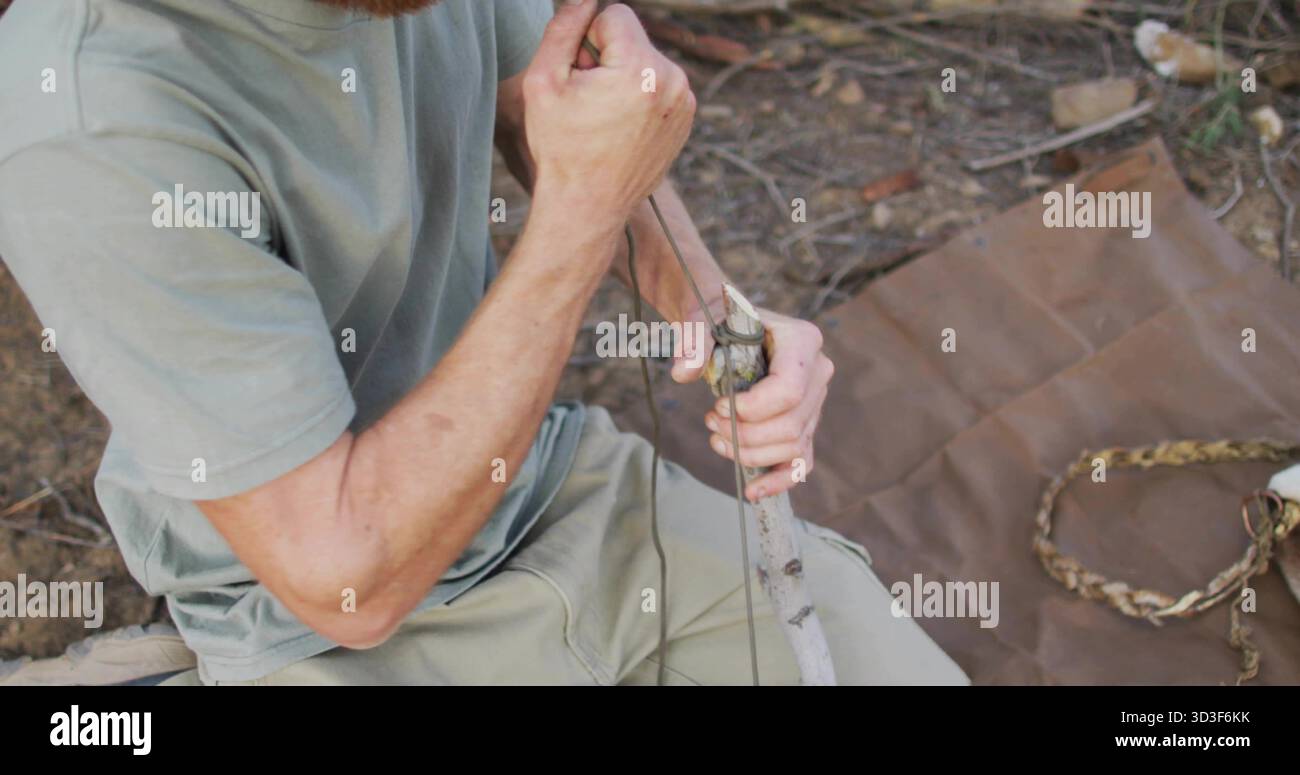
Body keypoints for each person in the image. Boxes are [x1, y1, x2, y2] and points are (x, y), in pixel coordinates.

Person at [0, 0, 967, 685]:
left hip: (541, 484)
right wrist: (581, 213)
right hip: (321, 624)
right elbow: (348, 582)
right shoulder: (90, 122)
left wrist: (718, 317)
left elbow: (526, 99)